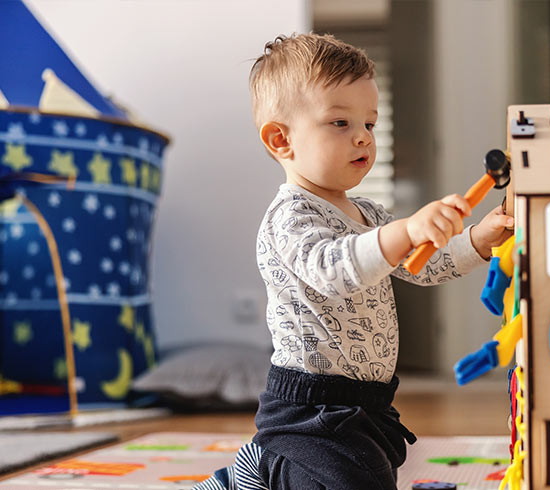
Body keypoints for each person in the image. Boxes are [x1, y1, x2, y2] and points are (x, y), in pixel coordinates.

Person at [195, 32, 513, 490]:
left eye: (370, 122)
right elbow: (333, 268)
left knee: (373, 472)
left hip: (368, 399)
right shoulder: (290, 216)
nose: (363, 137)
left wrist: (479, 239)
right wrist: (403, 231)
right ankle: (268, 467)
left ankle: (266, 467)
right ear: (281, 140)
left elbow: (422, 265)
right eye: (340, 123)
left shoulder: (369, 213)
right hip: (312, 406)